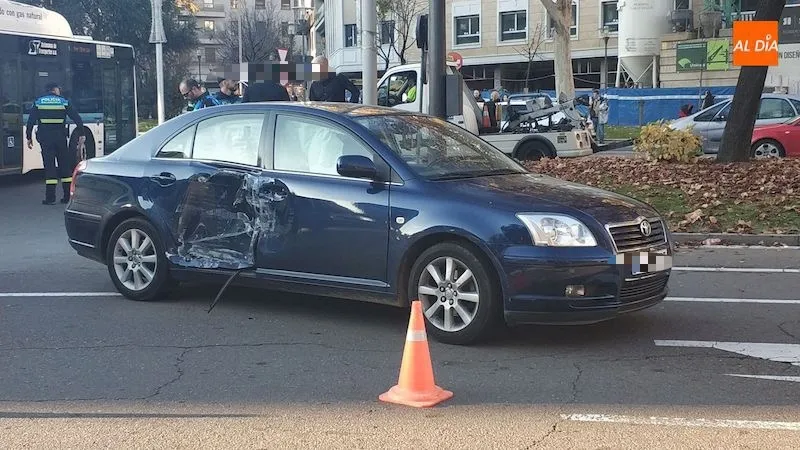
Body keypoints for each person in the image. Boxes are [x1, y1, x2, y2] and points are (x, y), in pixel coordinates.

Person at [26, 82, 85, 205]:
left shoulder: (38, 102)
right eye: (58, 89)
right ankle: (67, 196)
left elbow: (31, 121)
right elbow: (77, 117)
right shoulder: (63, 101)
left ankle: (50, 198)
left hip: (46, 139)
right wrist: (82, 133)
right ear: (54, 89)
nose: (60, 91)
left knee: (50, 167)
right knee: (64, 166)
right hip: (61, 139)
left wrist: (29, 137)